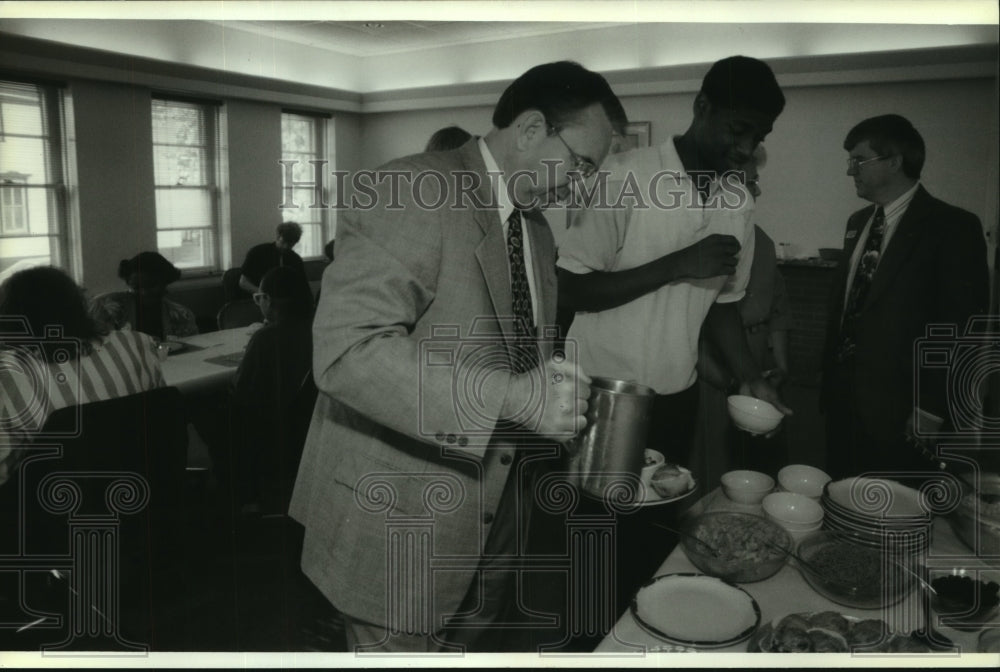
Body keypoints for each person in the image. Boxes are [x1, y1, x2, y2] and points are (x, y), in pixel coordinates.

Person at [289, 60, 626, 652]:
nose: (583, 184)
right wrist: (519, 398)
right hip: (400, 520)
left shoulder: (537, 231)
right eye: (582, 164)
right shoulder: (411, 190)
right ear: (529, 130)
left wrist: (557, 407)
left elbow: (516, 355)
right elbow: (347, 351)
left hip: (497, 514)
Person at [557, 55, 791, 472]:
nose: (746, 147)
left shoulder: (738, 202)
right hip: (601, 392)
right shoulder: (623, 177)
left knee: (659, 527)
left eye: (759, 135)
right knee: (599, 526)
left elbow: (723, 304)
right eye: (738, 129)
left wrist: (749, 376)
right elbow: (570, 288)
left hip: (678, 395)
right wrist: (677, 264)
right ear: (702, 107)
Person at [822, 114, 988, 479]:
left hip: (903, 408)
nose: (850, 171)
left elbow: (962, 326)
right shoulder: (857, 223)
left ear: (895, 161)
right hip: (842, 398)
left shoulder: (953, 227)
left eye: (859, 160)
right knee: (840, 496)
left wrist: (932, 406)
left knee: (893, 513)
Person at [0, 266, 165, 486]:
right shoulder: (137, 344)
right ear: (78, 305)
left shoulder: (11, 377)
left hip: (51, 509)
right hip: (144, 489)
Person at [691, 146, 792, 487]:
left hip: (756, 356)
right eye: (752, 182)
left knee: (754, 456)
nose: (759, 191)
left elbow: (779, 306)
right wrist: (733, 380)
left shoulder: (761, 240)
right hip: (714, 364)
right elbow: (700, 324)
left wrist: (781, 364)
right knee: (711, 457)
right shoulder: (701, 241)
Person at [230, 266, 315, 514]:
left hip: (270, 433)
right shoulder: (318, 329)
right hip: (306, 427)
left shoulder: (266, 338)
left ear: (267, 300)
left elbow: (241, 391)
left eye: (259, 298)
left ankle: (242, 495)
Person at [90, 251, 198, 340]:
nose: (144, 292)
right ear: (128, 284)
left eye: (151, 285)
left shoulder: (182, 315)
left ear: (165, 283)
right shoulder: (106, 307)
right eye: (136, 287)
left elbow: (191, 350)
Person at [238, 222, 306, 295]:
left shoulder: (296, 260)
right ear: (277, 237)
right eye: (283, 242)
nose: (285, 246)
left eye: (290, 244)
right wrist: (262, 294)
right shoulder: (257, 252)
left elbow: (301, 285)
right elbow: (243, 282)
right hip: (257, 298)